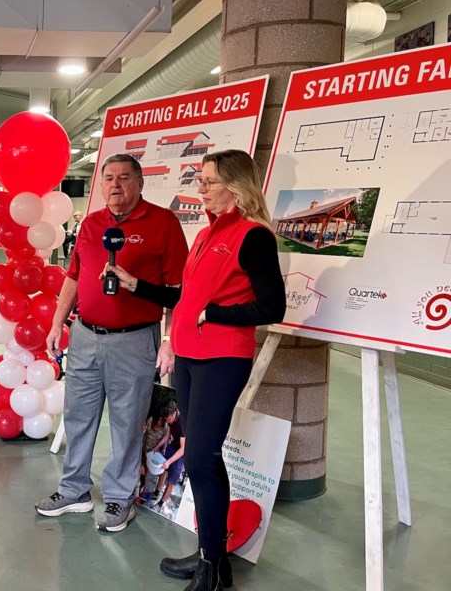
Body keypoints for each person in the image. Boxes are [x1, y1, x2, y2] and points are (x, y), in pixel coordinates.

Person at [152, 149, 286, 591]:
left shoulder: (254, 236)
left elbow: (273, 306)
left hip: (222, 360)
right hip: (189, 360)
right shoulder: (207, 233)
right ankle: (214, 555)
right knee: (202, 457)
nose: (201, 189)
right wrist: (171, 340)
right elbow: (188, 298)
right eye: (201, 181)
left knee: (201, 460)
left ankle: (211, 571)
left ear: (236, 185)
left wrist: (216, 314)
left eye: (209, 181)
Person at [35, 154, 188, 532]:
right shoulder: (90, 224)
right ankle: (75, 490)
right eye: (108, 178)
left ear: (139, 183)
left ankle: (120, 499)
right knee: (78, 415)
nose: (115, 185)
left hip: (134, 341)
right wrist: (58, 323)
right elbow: (74, 276)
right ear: (100, 185)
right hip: (85, 336)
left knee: (126, 422)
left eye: (123, 177)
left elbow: (178, 290)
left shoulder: (163, 223)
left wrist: (168, 340)